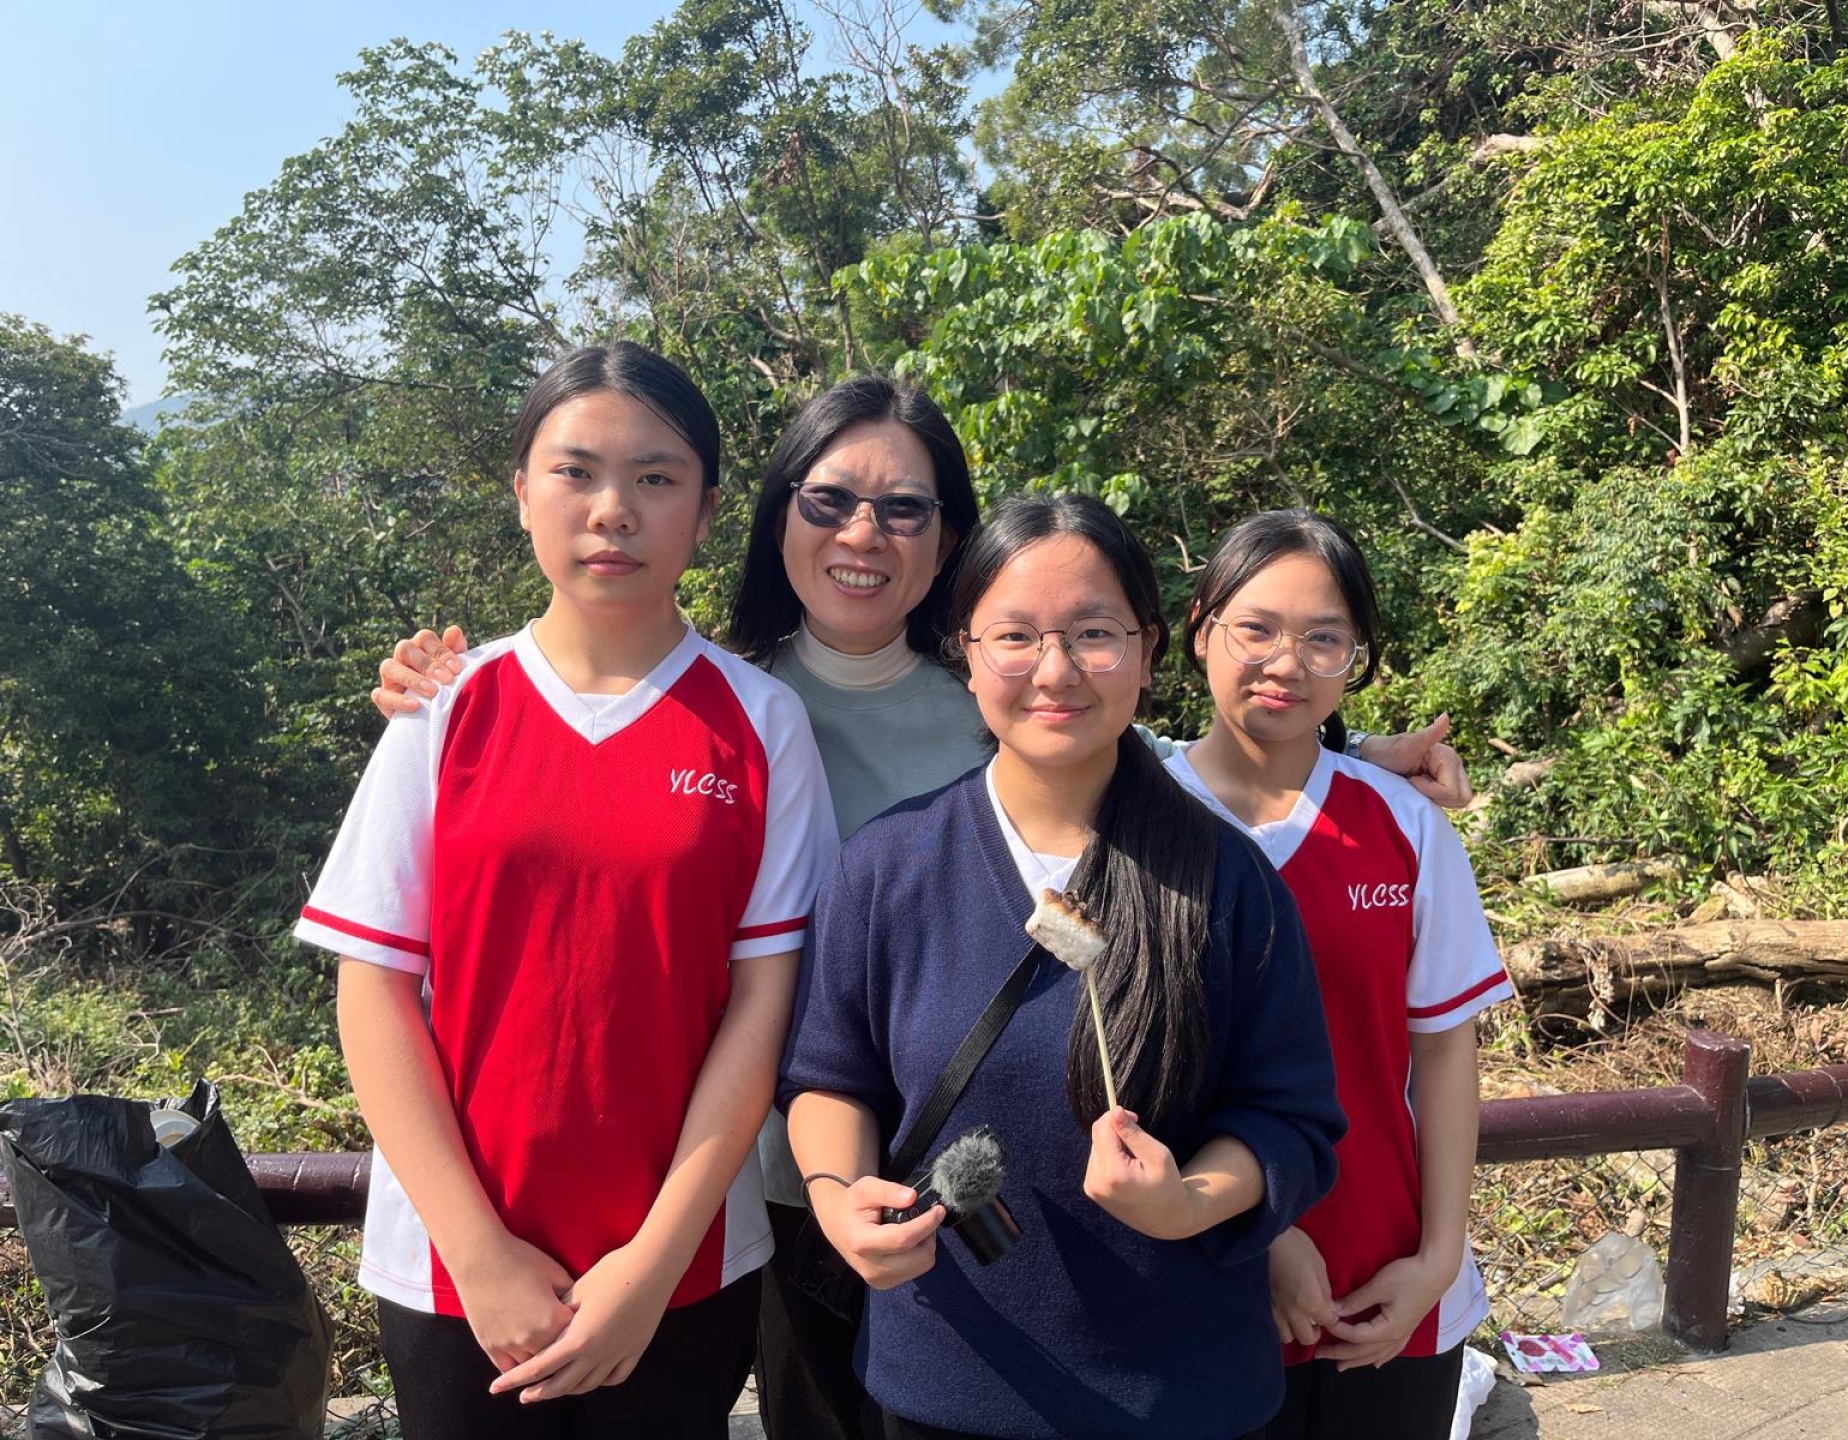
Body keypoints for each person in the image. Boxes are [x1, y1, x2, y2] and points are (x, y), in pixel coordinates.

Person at [368, 382, 1475, 1438]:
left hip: (1076, 1276)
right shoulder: (722, 702)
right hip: (778, 1197)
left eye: (904, 507)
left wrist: (1349, 757)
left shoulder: (1017, 710)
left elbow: (1143, 763)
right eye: (829, 500)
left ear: (949, 547)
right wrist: (453, 689)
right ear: (775, 512)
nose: (863, 533)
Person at [294, 343, 839, 1438]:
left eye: (655, 478)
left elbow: (763, 1005)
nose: (613, 511)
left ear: (705, 510)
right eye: (575, 472)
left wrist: (652, 1262)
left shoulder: (760, 722)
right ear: (522, 494)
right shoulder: (447, 708)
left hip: (683, 1266)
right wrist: (480, 1253)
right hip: (453, 1270)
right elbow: (374, 988)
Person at [782, 493, 1348, 1440]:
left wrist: (1187, 1202)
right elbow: (828, 1078)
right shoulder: (887, 866)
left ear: (1148, 649)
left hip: (1183, 1394)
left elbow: (1290, 1120)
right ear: (965, 654)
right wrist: (839, 1201)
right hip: (945, 1379)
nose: (1055, 671)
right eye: (1015, 636)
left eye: (1093, 634)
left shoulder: (1226, 878)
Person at [1166, 510, 1514, 1440]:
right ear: (1200, 630)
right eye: (1256, 628)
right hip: (1191, 1281)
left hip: (1386, 1287)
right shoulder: (1135, 819)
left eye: (1324, 639)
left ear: (1356, 659)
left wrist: (1438, 1260)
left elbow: (1445, 1054)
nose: (1286, 663)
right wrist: (1262, 1234)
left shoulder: (1403, 824)